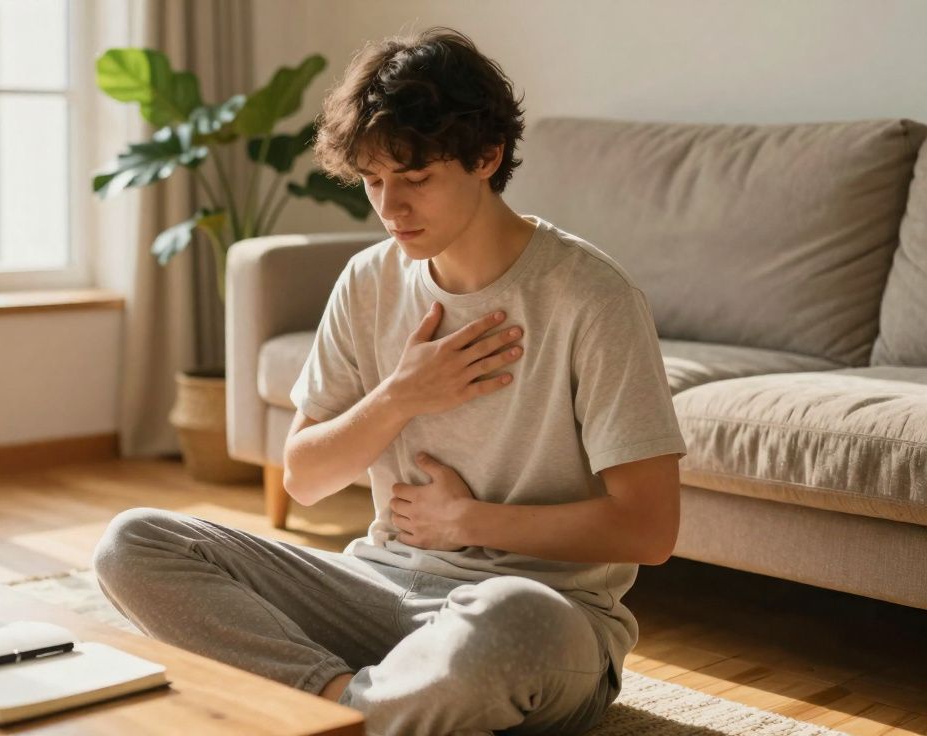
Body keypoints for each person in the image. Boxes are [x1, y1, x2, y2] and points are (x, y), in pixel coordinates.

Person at [93, 27, 686, 735]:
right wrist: (404, 393)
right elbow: (306, 477)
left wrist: (470, 523)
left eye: (416, 178)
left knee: (507, 620)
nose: (389, 208)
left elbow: (650, 530)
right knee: (134, 542)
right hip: (378, 589)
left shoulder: (591, 297)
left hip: (539, 617)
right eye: (374, 180)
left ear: (486, 157)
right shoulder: (369, 282)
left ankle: (329, 712)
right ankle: (356, 705)